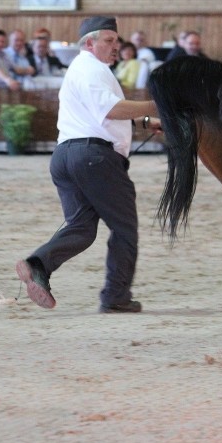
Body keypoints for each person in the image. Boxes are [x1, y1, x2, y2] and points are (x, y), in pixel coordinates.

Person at [15, 16, 161, 314]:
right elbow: (112, 109)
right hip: (95, 158)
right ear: (89, 43)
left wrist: (147, 121)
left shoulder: (83, 70)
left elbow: (104, 114)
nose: (115, 46)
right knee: (124, 229)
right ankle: (116, 297)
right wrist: (157, 104)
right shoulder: (92, 69)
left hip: (67, 157)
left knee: (81, 227)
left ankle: (38, 264)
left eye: (117, 41)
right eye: (109, 41)